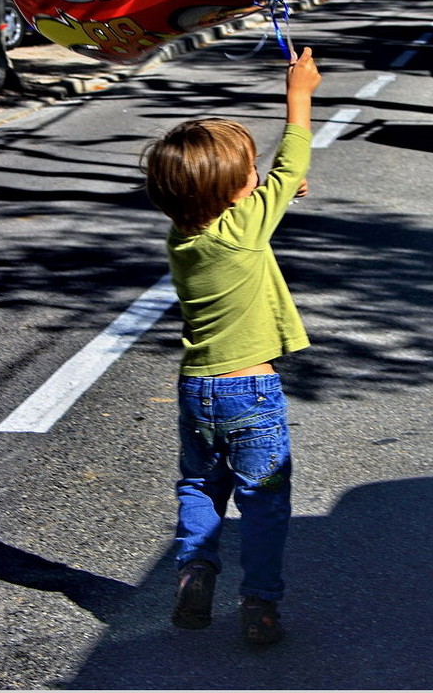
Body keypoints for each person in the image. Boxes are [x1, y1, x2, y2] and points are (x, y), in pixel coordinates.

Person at [143, 47, 321, 645]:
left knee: (199, 485)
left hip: (197, 389)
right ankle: (261, 605)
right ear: (232, 193)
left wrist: (265, 198)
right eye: (250, 173)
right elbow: (291, 161)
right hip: (250, 388)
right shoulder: (242, 227)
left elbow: (255, 197)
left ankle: (196, 569)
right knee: (264, 503)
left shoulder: (184, 234)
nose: (258, 177)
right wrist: (299, 95)